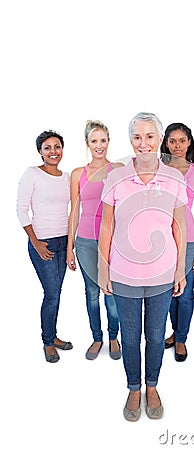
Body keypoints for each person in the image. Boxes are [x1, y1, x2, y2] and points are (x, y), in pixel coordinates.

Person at [98, 112, 187, 421]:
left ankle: (152, 385)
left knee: (155, 333)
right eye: (137, 137)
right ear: (131, 140)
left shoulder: (174, 177)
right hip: (124, 274)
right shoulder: (116, 178)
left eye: (150, 136)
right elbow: (106, 226)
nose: (144, 143)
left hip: (162, 273)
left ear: (159, 140)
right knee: (131, 336)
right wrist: (102, 269)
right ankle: (134, 387)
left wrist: (179, 271)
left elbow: (179, 227)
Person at [67, 120, 122, 360]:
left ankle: (113, 337)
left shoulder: (118, 169)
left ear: (109, 141)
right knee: (91, 293)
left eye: (103, 140)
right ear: (87, 144)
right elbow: (74, 211)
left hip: (113, 242)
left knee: (110, 292)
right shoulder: (78, 173)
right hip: (86, 243)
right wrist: (70, 247)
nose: (99, 146)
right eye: (94, 141)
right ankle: (97, 338)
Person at [16, 130, 73, 363]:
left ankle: (53, 335)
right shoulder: (32, 174)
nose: (53, 151)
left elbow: (72, 211)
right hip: (43, 243)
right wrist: (35, 242)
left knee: (56, 293)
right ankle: (48, 342)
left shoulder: (67, 177)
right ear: (40, 151)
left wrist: (71, 245)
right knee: (51, 294)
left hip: (63, 241)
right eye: (47, 147)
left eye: (57, 147)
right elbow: (20, 209)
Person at [160, 123, 194, 361]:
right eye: (172, 141)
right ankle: (172, 332)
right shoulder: (156, 168)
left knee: (186, 293)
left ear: (189, 142)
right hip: (161, 239)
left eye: (182, 140)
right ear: (165, 143)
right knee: (168, 292)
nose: (177, 146)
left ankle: (181, 339)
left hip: (189, 239)